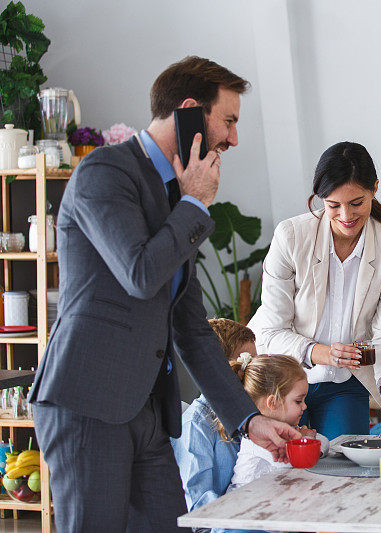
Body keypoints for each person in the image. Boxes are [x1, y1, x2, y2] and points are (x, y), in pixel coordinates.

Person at [29, 56, 300, 532]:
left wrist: (248, 421)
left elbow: (192, 330)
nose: (234, 139)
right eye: (229, 120)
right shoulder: (104, 174)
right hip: (88, 405)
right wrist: (194, 203)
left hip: (148, 413)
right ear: (191, 110)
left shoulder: (175, 198)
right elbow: (139, 273)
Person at [248, 141, 381, 440]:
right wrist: (323, 353)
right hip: (282, 381)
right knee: (288, 470)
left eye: (357, 202)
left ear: (374, 188)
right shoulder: (291, 237)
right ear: (320, 197)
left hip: (344, 384)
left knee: (345, 466)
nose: (346, 215)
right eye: (333, 205)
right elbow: (270, 332)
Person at [170, 319, 257, 521]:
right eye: (247, 363)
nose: (254, 372)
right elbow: (197, 503)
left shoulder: (252, 416)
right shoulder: (196, 426)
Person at [227, 354, 329, 491]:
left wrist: (308, 441)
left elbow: (324, 442)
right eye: (298, 401)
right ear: (273, 402)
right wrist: (308, 440)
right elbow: (290, 464)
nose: (304, 406)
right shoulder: (257, 438)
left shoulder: (290, 428)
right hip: (244, 501)